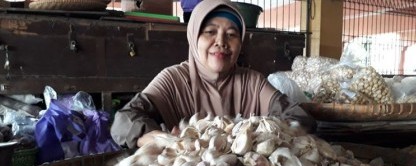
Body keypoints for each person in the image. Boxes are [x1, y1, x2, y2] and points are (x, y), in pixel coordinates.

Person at [111, 0, 316, 149]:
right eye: (210, 31)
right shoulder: (173, 79)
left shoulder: (252, 82)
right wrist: (155, 138)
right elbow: (124, 120)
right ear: (194, 37)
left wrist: (261, 137)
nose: (221, 42)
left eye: (231, 34)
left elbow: (299, 118)